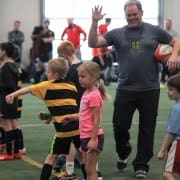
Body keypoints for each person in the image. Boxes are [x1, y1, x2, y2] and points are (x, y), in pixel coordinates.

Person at [88, 0, 180, 178]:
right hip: (125, 89)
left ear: (141, 13)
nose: (132, 18)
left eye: (135, 14)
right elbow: (93, 43)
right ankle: (124, 151)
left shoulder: (154, 30)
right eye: (129, 15)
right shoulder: (117, 33)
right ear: (125, 16)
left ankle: (141, 165)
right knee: (119, 126)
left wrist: (174, 55)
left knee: (147, 129)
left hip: (150, 89)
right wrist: (94, 22)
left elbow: (176, 42)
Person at [5, 58, 81, 180]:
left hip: (62, 132)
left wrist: (13, 95)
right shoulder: (72, 86)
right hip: (77, 129)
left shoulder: (47, 86)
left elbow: (29, 89)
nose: (46, 73)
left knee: (51, 158)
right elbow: (69, 108)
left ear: (55, 75)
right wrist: (50, 116)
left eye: (48, 72)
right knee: (83, 158)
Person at [64, 61, 109, 180]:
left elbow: (96, 119)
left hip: (92, 136)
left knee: (91, 170)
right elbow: (84, 114)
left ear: (94, 77)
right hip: (85, 136)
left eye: (83, 76)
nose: (80, 79)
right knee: (87, 169)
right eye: (79, 76)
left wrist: (94, 139)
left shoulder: (94, 95)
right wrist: (72, 117)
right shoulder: (86, 92)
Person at [0, 42, 23, 160]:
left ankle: (8, 153)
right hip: (13, 98)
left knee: (7, 124)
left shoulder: (6, 66)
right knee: (14, 124)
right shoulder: (14, 65)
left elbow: (8, 85)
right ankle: (17, 151)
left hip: (7, 98)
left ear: (3, 51)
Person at [157, 74, 180, 180]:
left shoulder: (177, 109)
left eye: (171, 90)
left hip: (177, 145)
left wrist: (162, 150)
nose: (168, 92)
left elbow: (171, 132)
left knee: (167, 173)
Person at [161, 19, 179, 86]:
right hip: (163, 54)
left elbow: (176, 43)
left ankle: (171, 82)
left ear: (170, 24)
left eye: (168, 23)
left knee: (173, 68)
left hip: (172, 53)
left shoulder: (174, 33)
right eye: (165, 23)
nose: (166, 24)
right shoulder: (162, 32)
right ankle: (162, 82)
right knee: (164, 68)